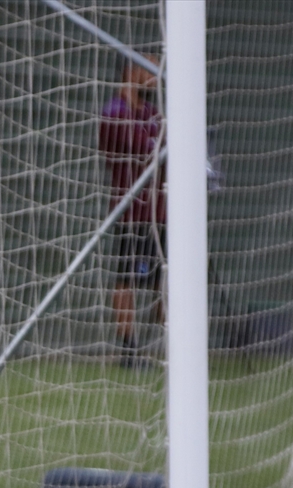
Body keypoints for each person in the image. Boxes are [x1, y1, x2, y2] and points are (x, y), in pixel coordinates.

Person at [99, 58, 165, 363]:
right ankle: (128, 348)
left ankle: (172, 338)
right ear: (132, 72)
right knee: (127, 278)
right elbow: (140, 150)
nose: (155, 75)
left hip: (162, 209)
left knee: (165, 278)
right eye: (149, 68)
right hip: (133, 211)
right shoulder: (115, 113)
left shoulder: (153, 113)